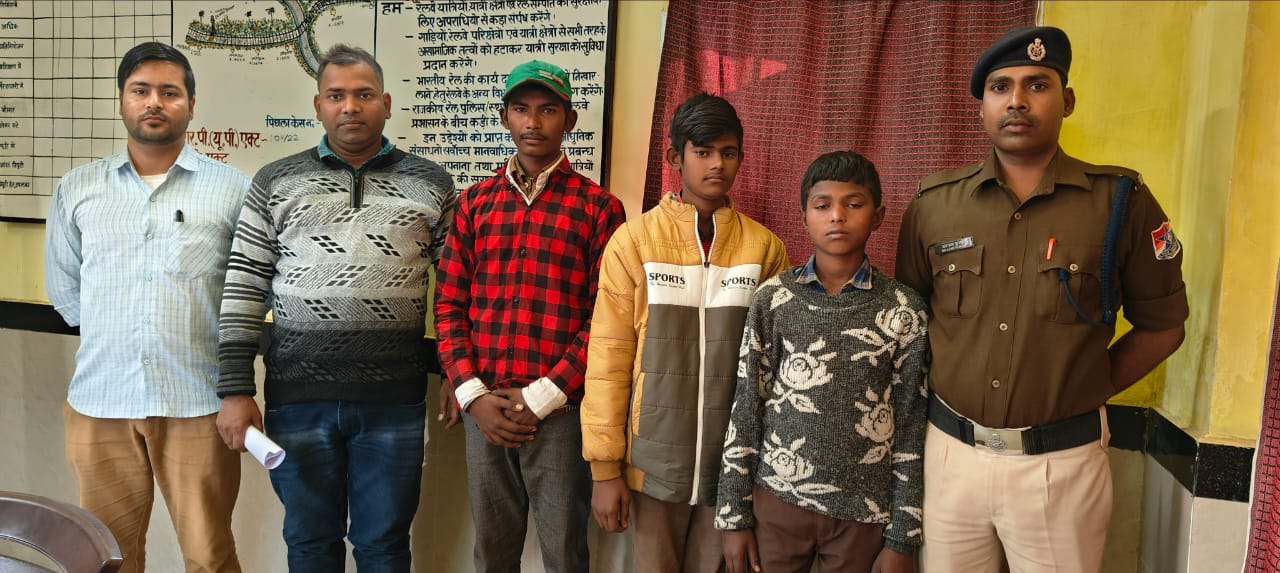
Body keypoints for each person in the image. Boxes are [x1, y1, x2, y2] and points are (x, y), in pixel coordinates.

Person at [894, 26, 1188, 573]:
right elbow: (908, 322)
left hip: (1062, 466)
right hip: (950, 457)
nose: (1017, 101)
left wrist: (1089, 384)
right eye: (1000, 87)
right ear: (982, 107)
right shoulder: (934, 205)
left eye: (1037, 85)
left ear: (1067, 101)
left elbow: (1164, 325)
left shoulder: (1119, 202)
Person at [214, 44, 456, 572]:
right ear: (318, 106)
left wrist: (458, 371)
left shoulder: (432, 184)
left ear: (386, 104)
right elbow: (244, 285)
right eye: (336, 95)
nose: (350, 107)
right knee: (309, 543)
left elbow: (458, 290)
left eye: (364, 95)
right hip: (297, 398)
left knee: (384, 545)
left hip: (393, 399)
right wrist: (234, 389)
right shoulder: (275, 181)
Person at [44, 41, 250, 573]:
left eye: (169, 92)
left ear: (191, 104)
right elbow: (66, 288)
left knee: (209, 555)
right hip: (101, 401)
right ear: (122, 100)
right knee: (106, 558)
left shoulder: (233, 189)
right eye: (140, 90)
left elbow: (248, 291)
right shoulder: (78, 188)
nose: (154, 102)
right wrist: (120, 334)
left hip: (197, 402)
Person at [581, 92, 790, 572]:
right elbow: (609, 359)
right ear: (676, 158)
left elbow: (774, 369)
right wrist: (604, 469)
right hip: (652, 463)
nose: (717, 164)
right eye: (703, 151)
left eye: (728, 152)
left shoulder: (765, 249)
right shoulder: (634, 242)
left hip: (732, 466)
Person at [433, 59, 626, 573]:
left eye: (548, 110)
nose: (533, 122)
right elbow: (449, 305)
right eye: (521, 109)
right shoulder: (474, 204)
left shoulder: (599, 208)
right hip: (486, 409)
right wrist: (472, 395)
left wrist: (544, 396)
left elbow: (606, 319)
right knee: (492, 552)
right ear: (504, 117)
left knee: (565, 552)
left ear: (570, 120)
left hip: (560, 414)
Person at [715, 150, 927, 573]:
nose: (837, 216)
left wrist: (903, 536)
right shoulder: (773, 300)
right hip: (777, 504)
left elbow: (911, 426)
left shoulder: (904, 310)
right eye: (822, 205)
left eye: (853, 204)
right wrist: (733, 517)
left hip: (864, 514)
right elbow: (746, 407)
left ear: (878, 217)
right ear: (803, 217)